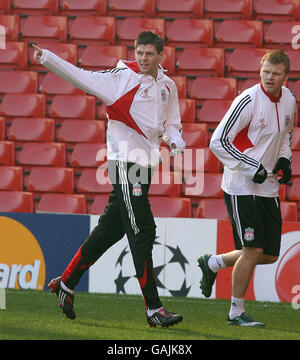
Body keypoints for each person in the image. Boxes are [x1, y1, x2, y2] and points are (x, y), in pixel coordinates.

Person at [33, 31, 185, 328]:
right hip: (124, 164)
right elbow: (79, 76)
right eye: (139, 53)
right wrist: (47, 58)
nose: (143, 59)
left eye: (149, 54)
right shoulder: (121, 78)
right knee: (143, 229)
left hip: (146, 165)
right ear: (134, 52)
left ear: (161, 56)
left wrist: (176, 140)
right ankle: (154, 309)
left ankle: (65, 283)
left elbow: (172, 123)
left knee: (110, 230)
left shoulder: (168, 86)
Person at [197, 49, 295, 327]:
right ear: (260, 71)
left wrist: (285, 159)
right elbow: (218, 141)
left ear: (286, 77)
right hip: (241, 185)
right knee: (252, 249)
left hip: (269, 187)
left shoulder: (290, 100)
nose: (270, 78)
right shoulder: (248, 100)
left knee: (269, 253)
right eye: (266, 72)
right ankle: (236, 312)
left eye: (276, 74)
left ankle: (213, 263)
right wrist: (253, 166)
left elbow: (286, 134)